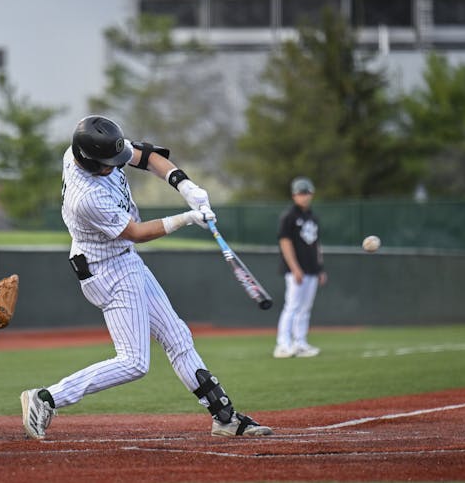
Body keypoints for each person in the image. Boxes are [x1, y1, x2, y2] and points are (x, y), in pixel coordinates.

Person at [20, 115, 273, 440]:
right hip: (107, 270)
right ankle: (47, 399)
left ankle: (225, 417)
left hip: (124, 260)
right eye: (108, 163)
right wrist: (186, 218)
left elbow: (148, 155)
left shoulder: (89, 150)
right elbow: (135, 233)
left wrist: (186, 186)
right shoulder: (86, 198)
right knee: (134, 362)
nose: (116, 166)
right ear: (89, 162)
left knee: (178, 337)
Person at [273, 176, 327, 359]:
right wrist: (295, 268)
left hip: (312, 268)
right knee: (292, 306)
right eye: (300, 193)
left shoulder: (312, 216)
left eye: (307, 193)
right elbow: (285, 243)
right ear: (294, 195)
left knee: (305, 308)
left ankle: (300, 343)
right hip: (296, 270)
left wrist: (320, 269)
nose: (304, 196)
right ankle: (283, 344)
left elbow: (317, 245)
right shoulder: (289, 216)